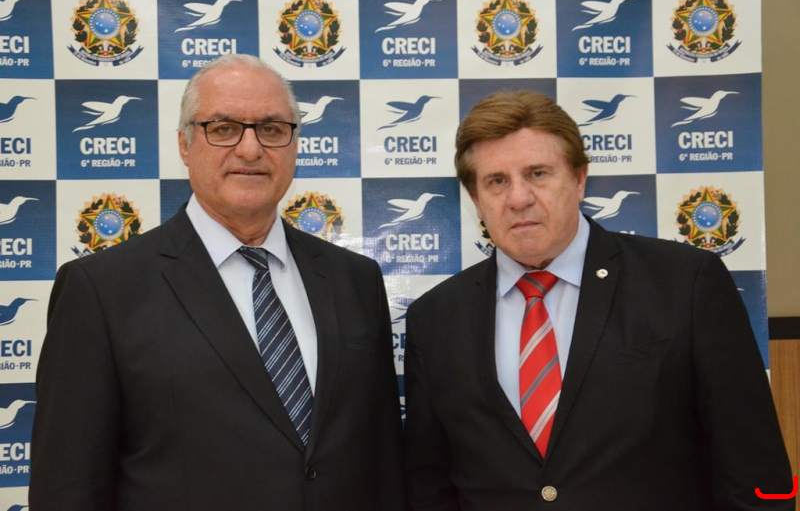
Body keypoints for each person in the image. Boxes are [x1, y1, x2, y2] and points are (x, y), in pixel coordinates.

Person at [30, 54, 404, 511]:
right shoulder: (101, 290)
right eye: (224, 128)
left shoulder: (356, 280)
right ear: (185, 145)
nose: (250, 149)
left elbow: (384, 464)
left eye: (272, 129)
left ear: (294, 145)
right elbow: (67, 487)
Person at [403, 90, 794, 510]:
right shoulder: (436, 318)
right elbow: (429, 486)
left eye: (538, 173)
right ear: (476, 200)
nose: (518, 198)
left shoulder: (685, 283)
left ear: (579, 179)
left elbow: (755, 471)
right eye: (497, 181)